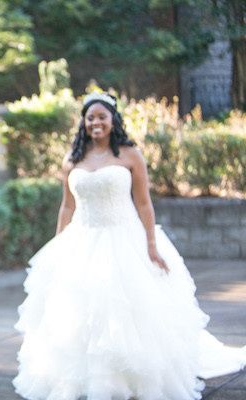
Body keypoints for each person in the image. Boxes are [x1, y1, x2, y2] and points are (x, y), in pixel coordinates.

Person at [13, 92, 246, 400]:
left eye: (101, 116)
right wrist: (58, 245)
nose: (96, 122)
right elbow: (67, 207)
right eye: (90, 117)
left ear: (113, 120)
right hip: (83, 240)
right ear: (83, 122)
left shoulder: (129, 154)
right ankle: (89, 380)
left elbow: (144, 203)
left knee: (128, 311)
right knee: (81, 312)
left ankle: (132, 380)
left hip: (125, 239)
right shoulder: (72, 160)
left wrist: (150, 243)